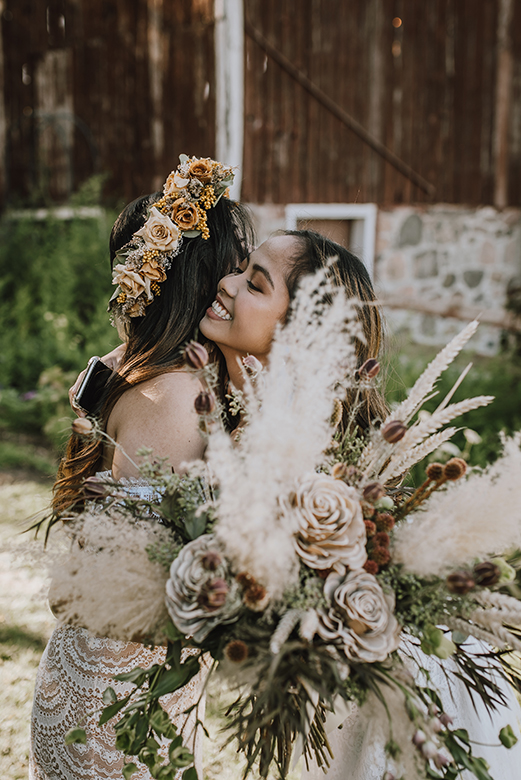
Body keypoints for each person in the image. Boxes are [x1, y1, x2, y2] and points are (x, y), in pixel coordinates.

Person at [200, 229, 521, 780]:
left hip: (386, 699)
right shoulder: (239, 415)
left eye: (253, 283)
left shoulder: (311, 444)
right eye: (240, 270)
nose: (225, 283)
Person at [30, 156, 255, 780]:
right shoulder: (178, 394)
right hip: (119, 701)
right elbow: (163, 568)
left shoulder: (141, 364)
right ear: (198, 281)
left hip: (124, 687)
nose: (238, 287)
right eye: (233, 271)